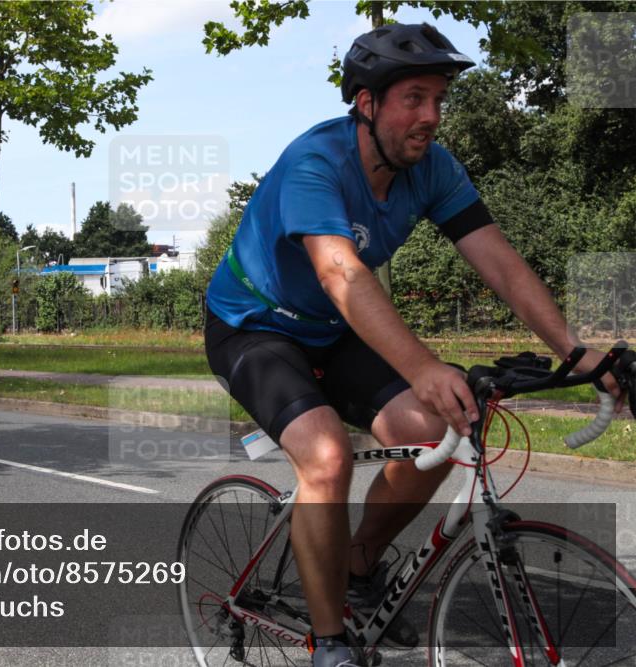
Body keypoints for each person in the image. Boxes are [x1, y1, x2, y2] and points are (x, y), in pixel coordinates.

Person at [204, 22, 624, 667]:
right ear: (366, 104)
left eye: (439, 100)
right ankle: (329, 645)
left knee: (433, 430)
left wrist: (579, 353)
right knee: (325, 457)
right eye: (414, 98)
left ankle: (359, 564)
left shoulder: (433, 169)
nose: (431, 117)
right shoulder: (316, 161)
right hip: (254, 327)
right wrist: (423, 366)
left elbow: (503, 265)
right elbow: (340, 271)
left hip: (334, 333)